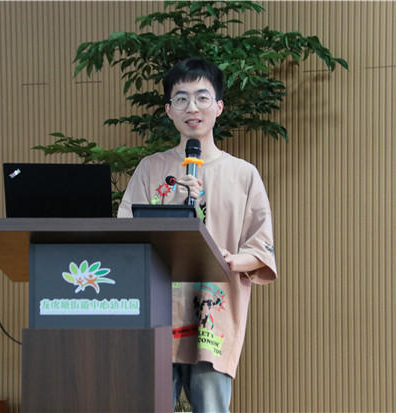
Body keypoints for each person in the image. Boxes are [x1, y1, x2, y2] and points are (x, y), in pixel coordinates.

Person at [117, 57, 277, 412]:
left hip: (212, 319)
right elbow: (126, 234)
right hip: (157, 316)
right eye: (181, 99)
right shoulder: (150, 168)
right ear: (168, 110)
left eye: (202, 97)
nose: (192, 107)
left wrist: (229, 259)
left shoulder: (243, 174)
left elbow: (261, 248)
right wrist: (174, 206)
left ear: (219, 106)